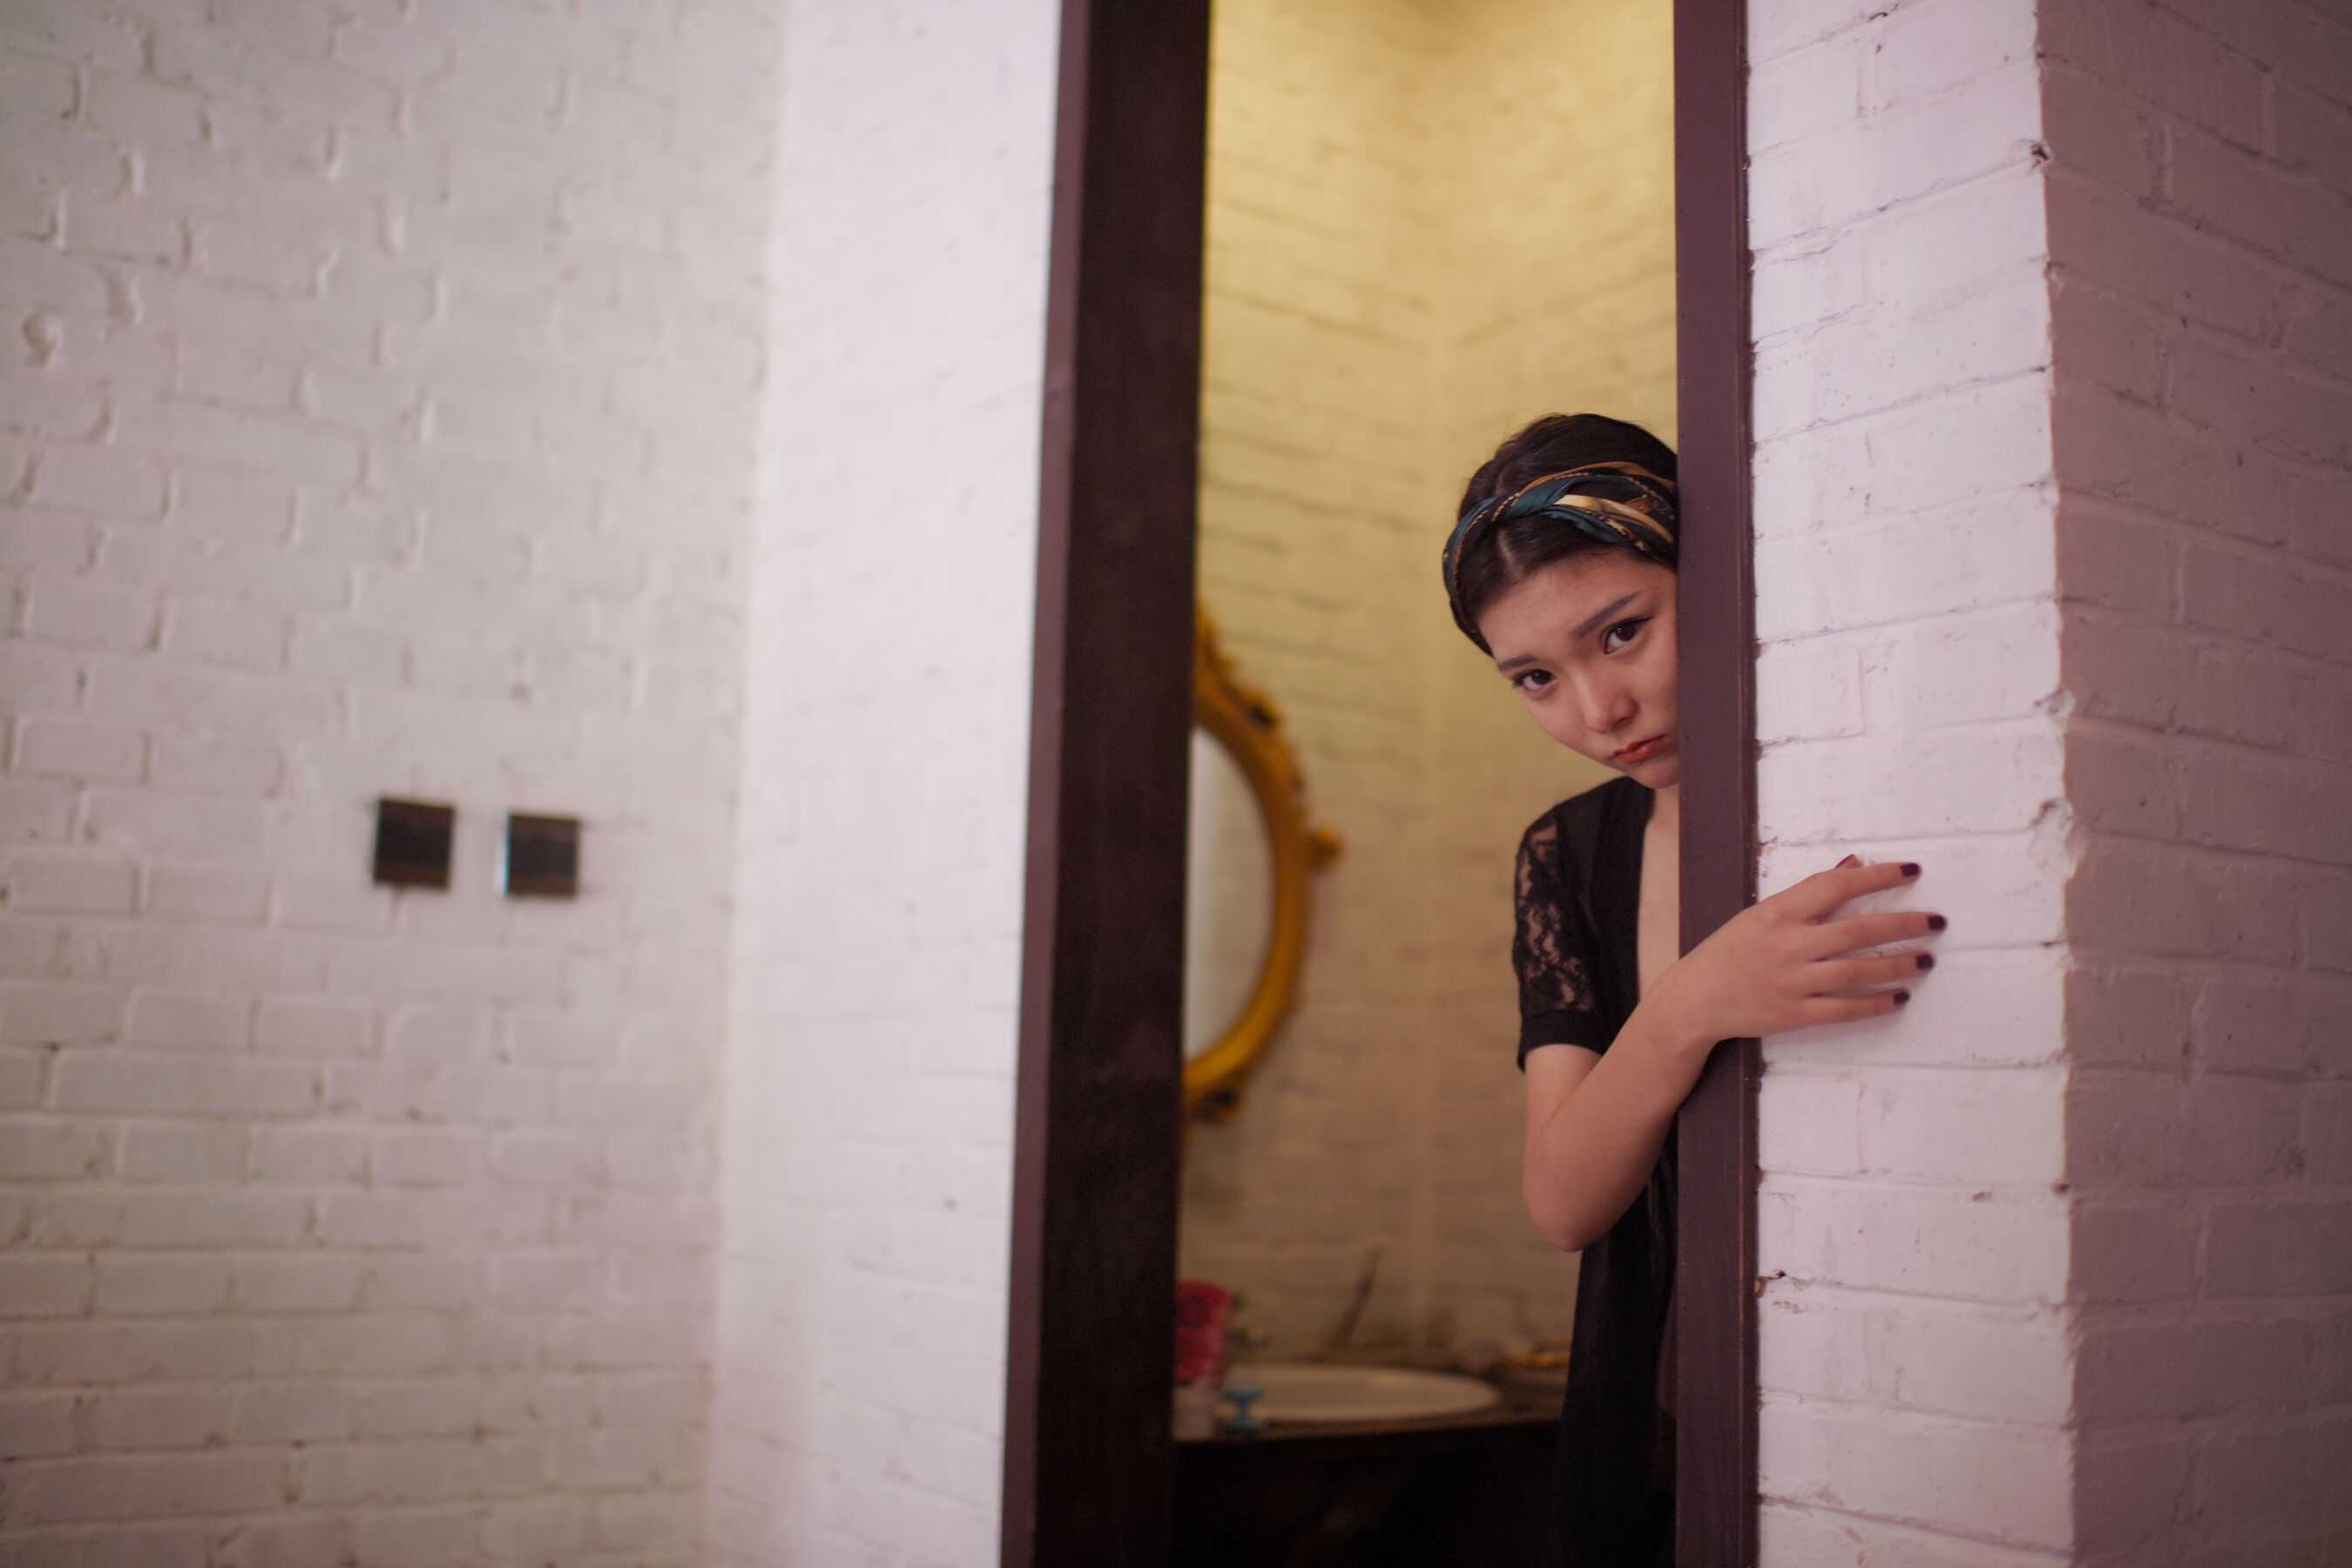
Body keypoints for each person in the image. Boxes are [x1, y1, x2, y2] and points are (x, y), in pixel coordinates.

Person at [1441, 414, 1944, 1565]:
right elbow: (1563, 1203)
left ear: (1711, 575)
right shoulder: (1567, 853)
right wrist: (1687, 1002)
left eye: (1622, 632)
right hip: (1646, 1402)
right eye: (1536, 678)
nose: (1597, 711)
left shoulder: (1852, 770)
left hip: (1868, 1382)